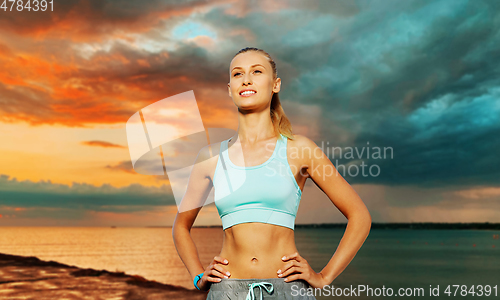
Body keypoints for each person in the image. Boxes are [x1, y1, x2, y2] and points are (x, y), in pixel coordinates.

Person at [172, 47, 371, 300]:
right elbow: (181, 226)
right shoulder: (210, 157)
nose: (246, 79)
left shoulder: (300, 149)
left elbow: (360, 216)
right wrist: (198, 276)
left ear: (275, 84)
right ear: (230, 88)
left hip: (289, 290)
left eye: (257, 71)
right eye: (237, 74)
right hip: (227, 292)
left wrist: (324, 277)